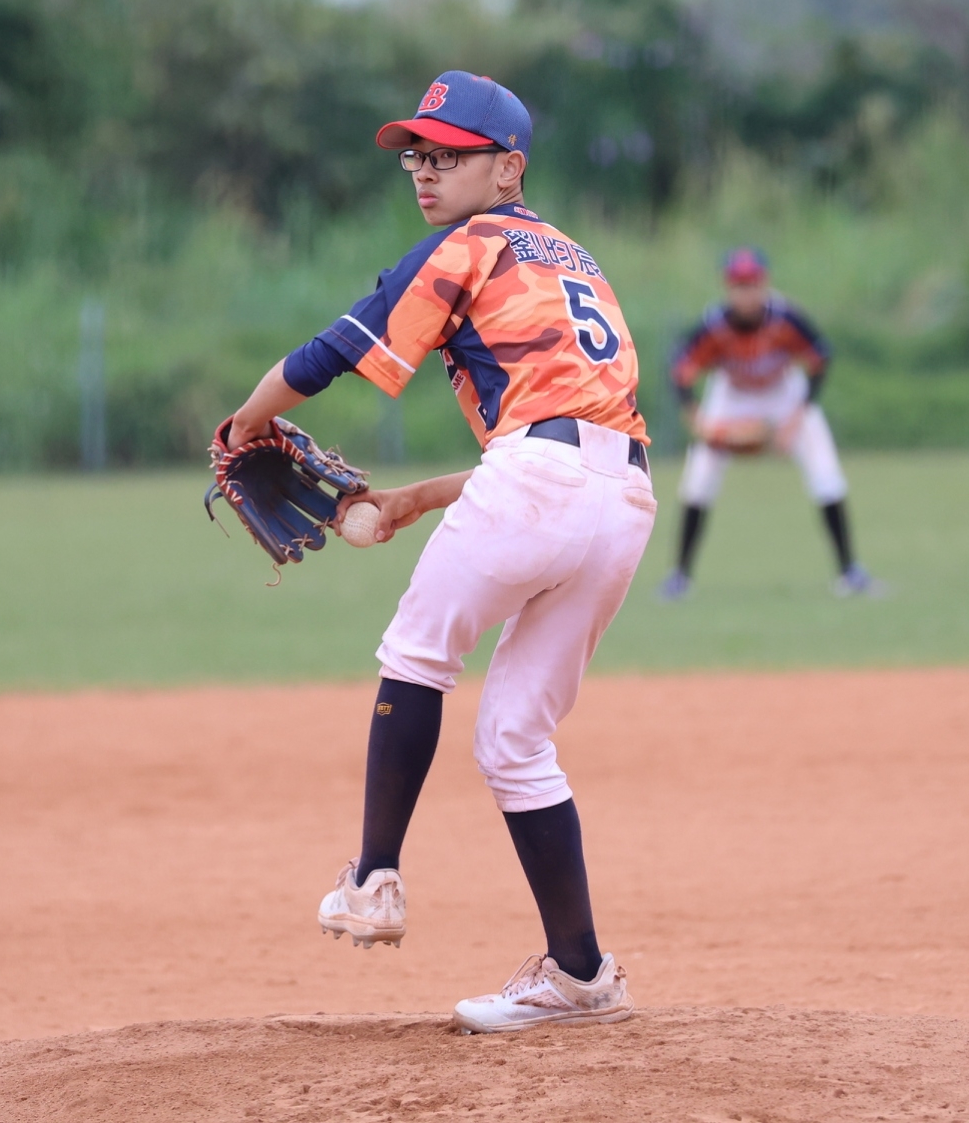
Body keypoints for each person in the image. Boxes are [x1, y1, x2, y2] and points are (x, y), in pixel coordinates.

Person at [218, 71, 653, 1034]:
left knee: (417, 653)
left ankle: (373, 876)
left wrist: (244, 423)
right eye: (417, 154)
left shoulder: (469, 242)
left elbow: (334, 351)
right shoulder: (575, 259)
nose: (424, 169)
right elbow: (572, 442)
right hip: (623, 499)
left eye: (449, 154)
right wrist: (418, 497)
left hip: (542, 481)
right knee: (515, 739)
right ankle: (581, 975)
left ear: (508, 169)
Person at [658, 246, 877, 600]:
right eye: (739, 284)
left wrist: (797, 416)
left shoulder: (786, 318)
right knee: (698, 479)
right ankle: (679, 577)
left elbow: (820, 357)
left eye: (752, 283)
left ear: (765, 284)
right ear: (728, 287)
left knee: (826, 474)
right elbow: (680, 368)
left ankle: (850, 572)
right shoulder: (714, 326)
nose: (746, 292)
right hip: (731, 395)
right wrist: (695, 416)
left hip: (784, 392)